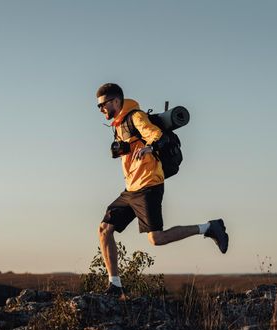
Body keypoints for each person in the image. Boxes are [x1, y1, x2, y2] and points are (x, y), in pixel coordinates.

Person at [96, 83, 229, 297]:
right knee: (105, 229)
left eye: (103, 104)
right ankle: (115, 286)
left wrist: (151, 146)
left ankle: (210, 227)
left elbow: (157, 135)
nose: (101, 109)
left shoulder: (135, 117)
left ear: (115, 101)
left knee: (156, 239)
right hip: (131, 187)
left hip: (149, 184)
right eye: (98, 106)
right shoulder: (118, 124)